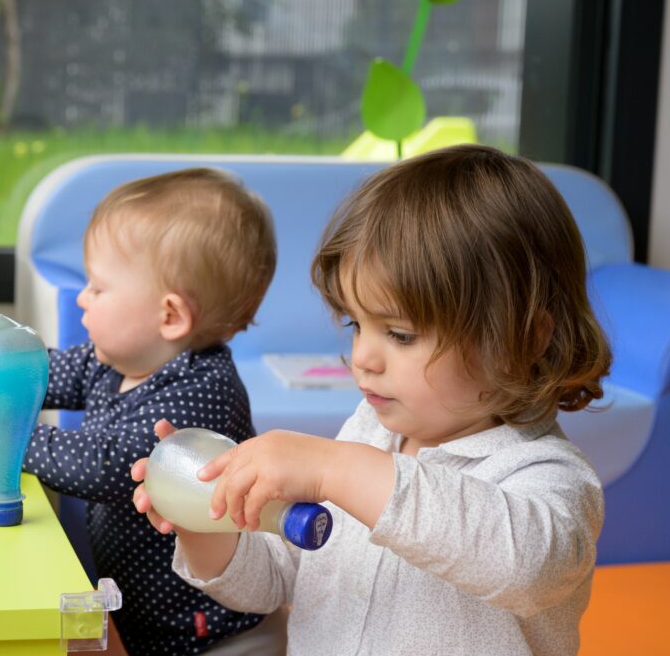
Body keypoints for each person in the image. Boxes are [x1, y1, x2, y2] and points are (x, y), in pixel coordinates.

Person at [131, 145, 611, 656]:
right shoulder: (369, 431)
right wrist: (207, 522)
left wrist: (336, 469)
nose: (363, 356)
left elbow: (527, 566)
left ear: (524, 339)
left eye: (400, 334)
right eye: (356, 324)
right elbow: (272, 580)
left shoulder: (547, 476)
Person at [22, 168, 282, 655]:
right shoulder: (113, 362)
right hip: (142, 615)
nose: (82, 298)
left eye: (98, 287)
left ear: (169, 315)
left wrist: (9, 437)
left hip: (208, 630)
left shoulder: (202, 394)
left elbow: (111, 466)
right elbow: (38, 376)